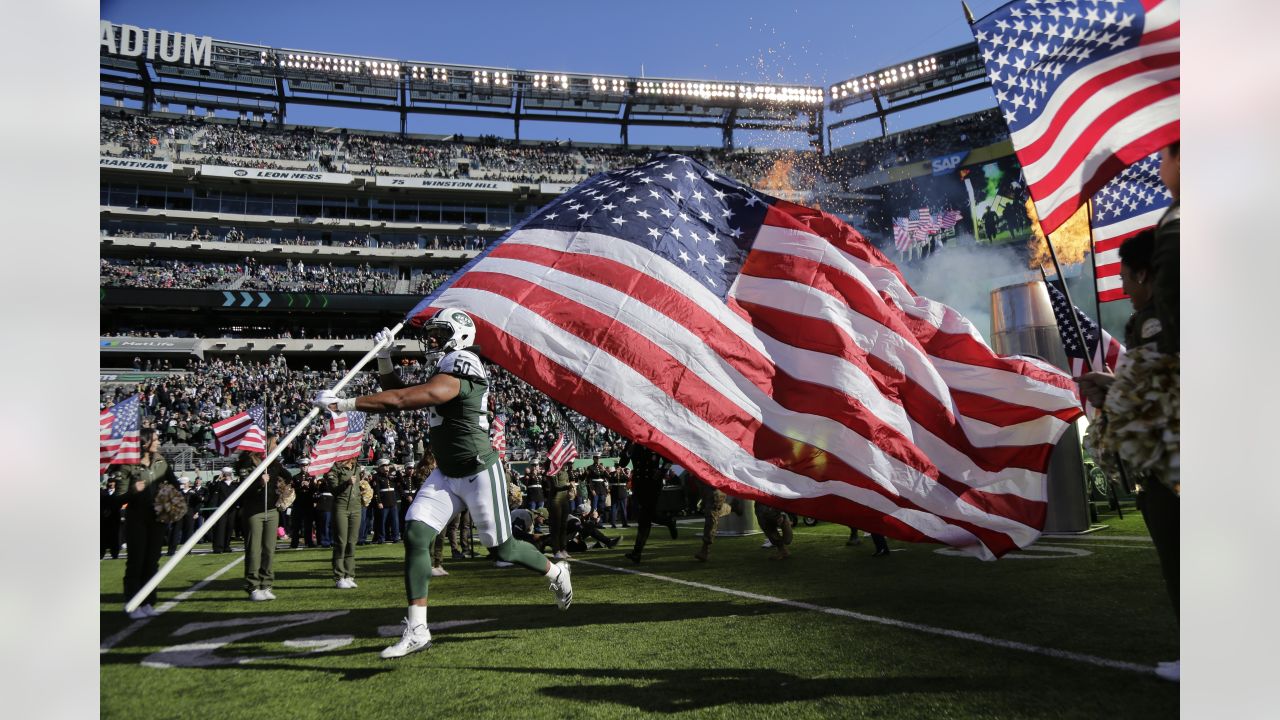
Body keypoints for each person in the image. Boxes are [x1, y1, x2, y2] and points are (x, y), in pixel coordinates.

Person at [313, 311, 572, 660]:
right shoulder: (445, 364)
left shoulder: (464, 361)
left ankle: (556, 572)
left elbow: (405, 400)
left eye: (438, 333)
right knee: (417, 534)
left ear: (460, 336)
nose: (430, 339)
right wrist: (384, 357)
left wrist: (344, 404)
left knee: (503, 550)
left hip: (479, 470)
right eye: (430, 333)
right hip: (447, 472)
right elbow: (399, 391)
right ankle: (417, 628)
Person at [1076, 224, 1180, 683]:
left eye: (1125, 277)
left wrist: (1114, 396)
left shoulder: (1160, 320)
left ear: (1145, 274)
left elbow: (1161, 391)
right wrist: (1114, 390)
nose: (1121, 286)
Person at [116, 428, 180, 619]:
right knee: (136, 562)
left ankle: (149, 601)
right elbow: (118, 498)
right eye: (155, 439)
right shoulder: (128, 466)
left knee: (152, 562)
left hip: (157, 519)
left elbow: (175, 484)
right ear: (144, 443)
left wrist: (168, 495)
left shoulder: (161, 462)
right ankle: (133, 602)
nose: (158, 442)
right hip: (137, 519)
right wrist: (133, 491)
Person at [236, 444, 286, 601]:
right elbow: (243, 490)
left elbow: (288, 476)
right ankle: (253, 586)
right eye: (274, 443)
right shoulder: (245, 463)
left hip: (271, 510)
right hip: (254, 511)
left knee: (269, 550)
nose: (277, 447)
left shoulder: (273, 463)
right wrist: (259, 483)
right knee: (254, 550)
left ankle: (266, 584)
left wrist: (282, 483)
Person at [620, 440, 677, 564]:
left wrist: (661, 472)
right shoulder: (633, 445)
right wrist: (627, 448)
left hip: (652, 484)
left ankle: (637, 553)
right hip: (639, 485)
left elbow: (669, 461)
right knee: (650, 516)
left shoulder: (655, 444)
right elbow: (622, 463)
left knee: (644, 518)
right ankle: (669, 521)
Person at [324, 457, 363, 589]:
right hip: (341, 507)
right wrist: (347, 483)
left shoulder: (357, 467)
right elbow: (334, 490)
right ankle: (339, 576)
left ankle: (349, 574)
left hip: (356, 507)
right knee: (341, 542)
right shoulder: (334, 468)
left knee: (352, 542)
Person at [692, 476, 728, 562]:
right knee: (713, 511)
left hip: (714, 483)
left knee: (711, 515)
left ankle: (705, 548)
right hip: (704, 485)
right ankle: (733, 507)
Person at [207, 467, 236, 553]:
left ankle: (227, 545)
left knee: (229, 527)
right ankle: (219, 547)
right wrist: (218, 479)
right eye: (225, 474)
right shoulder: (219, 484)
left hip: (232, 509)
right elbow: (211, 489)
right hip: (221, 509)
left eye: (228, 474)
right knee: (220, 528)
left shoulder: (235, 484)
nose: (227, 475)